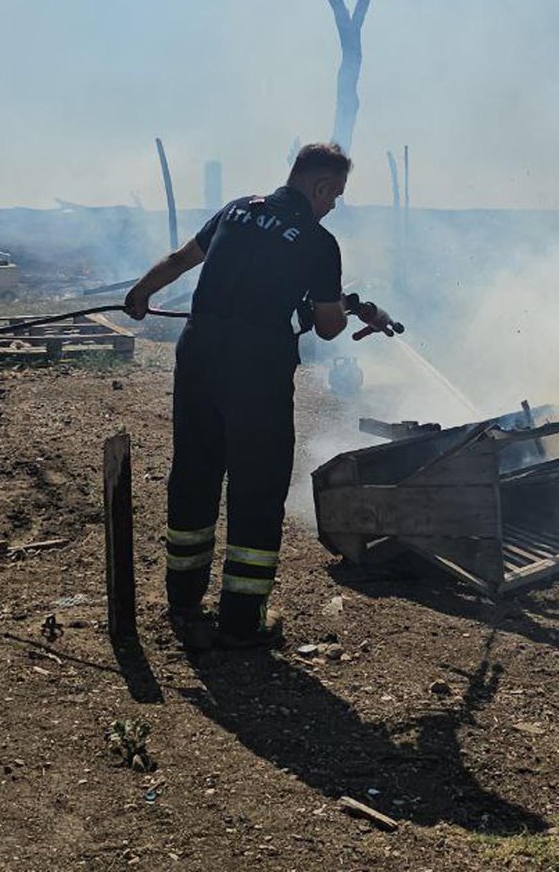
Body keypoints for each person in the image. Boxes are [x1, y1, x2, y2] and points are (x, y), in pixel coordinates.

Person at [124, 142, 395, 649]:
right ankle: (243, 620)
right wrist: (345, 308)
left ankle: (183, 602)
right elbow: (329, 327)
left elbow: (180, 259)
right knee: (257, 486)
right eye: (334, 194)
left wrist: (141, 291)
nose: (334, 204)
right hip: (257, 368)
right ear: (318, 186)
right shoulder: (318, 242)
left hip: (199, 356)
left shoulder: (237, 209)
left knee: (195, 474)